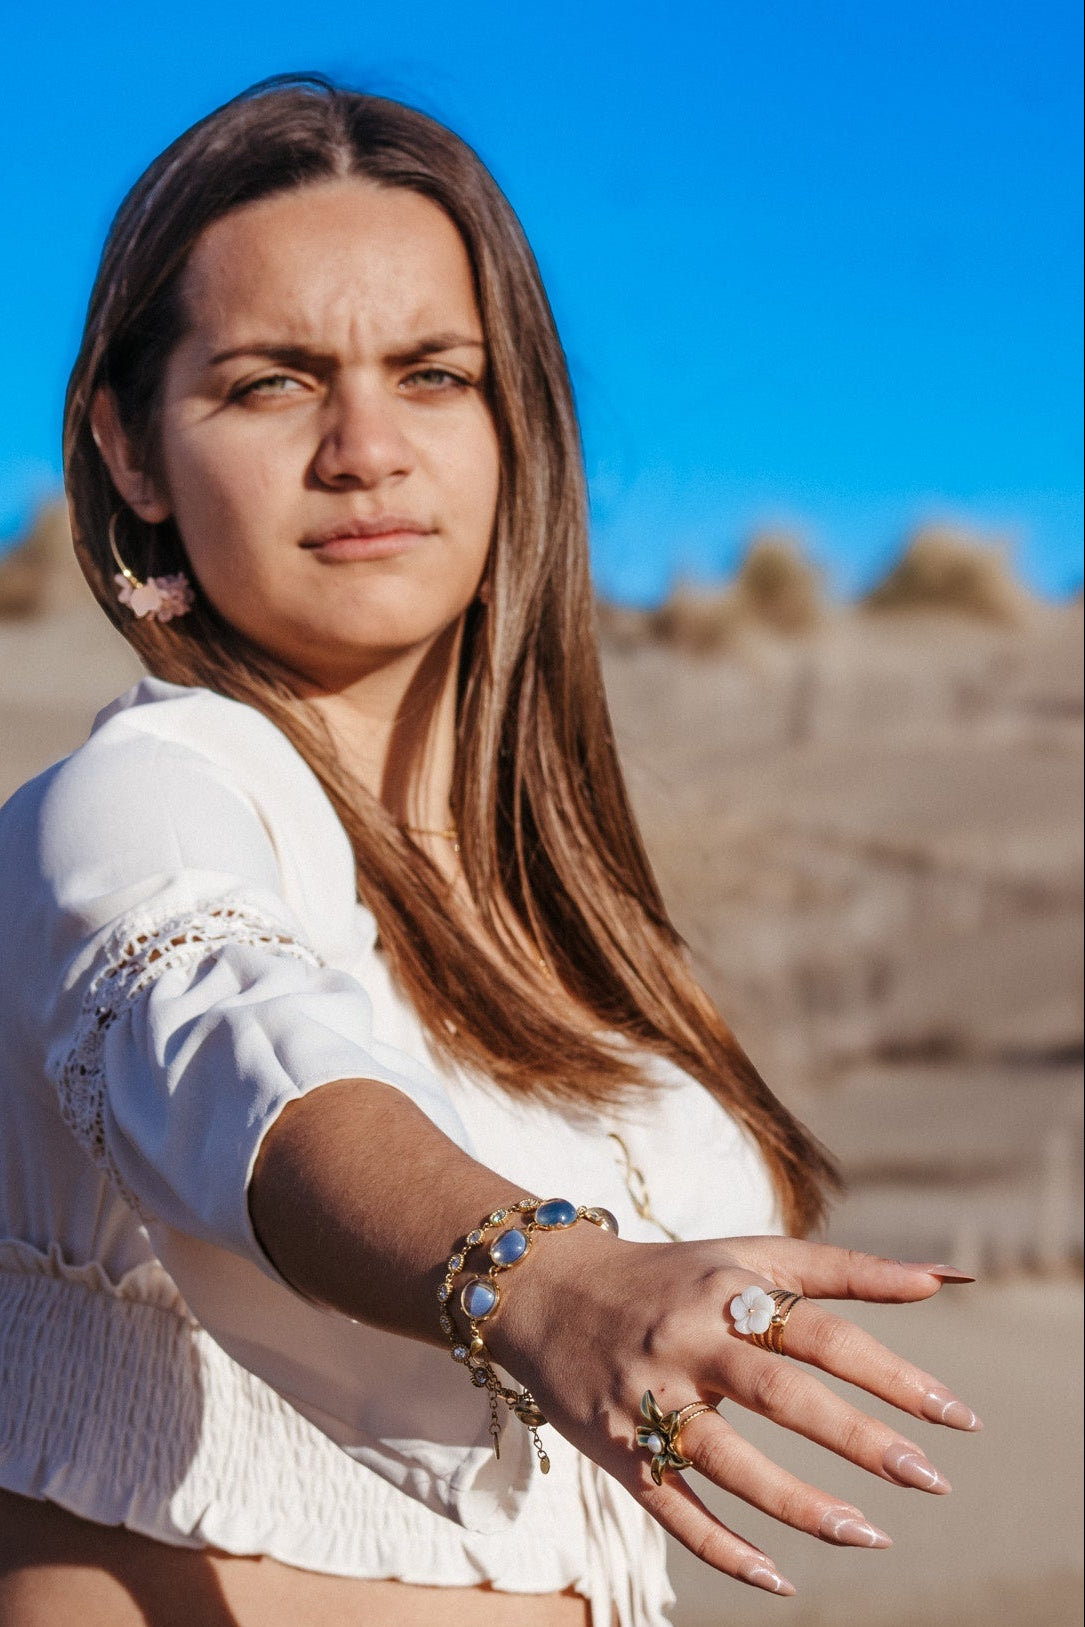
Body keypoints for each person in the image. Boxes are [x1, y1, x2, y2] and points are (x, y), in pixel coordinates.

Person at [0, 75, 981, 1627]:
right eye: (270, 383)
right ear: (130, 451)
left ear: (512, 416)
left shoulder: (572, 936)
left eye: (433, 373)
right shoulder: (141, 800)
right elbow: (229, 1052)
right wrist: (542, 1283)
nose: (364, 447)